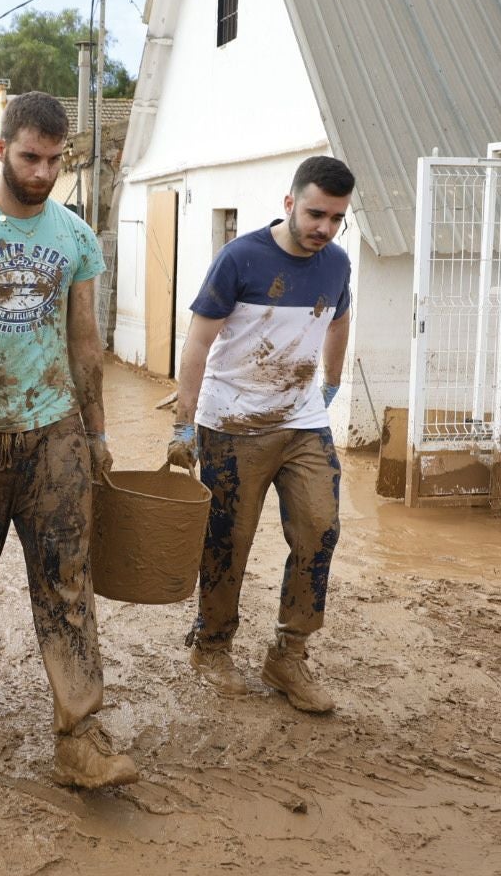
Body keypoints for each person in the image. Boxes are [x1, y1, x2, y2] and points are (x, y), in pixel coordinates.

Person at [0, 91, 138, 790]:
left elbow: (85, 341)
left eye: (53, 159)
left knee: (66, 576)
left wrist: (97, 432)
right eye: (29, 156)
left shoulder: (74, 237)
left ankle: (78, 733)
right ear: (0, 149)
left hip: (54, 432)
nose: (41, 172)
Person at [168, 155, 354, 714]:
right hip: (231, 424)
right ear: (290, 202)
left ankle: (289, 654)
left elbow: (340, 319)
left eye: (336, 219)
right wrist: (184, 420)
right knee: (230, 540)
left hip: (302, 422)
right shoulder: (240, 258)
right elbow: (199, 342)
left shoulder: (337, 265)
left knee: (320, 528)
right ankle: (212, 646)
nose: (324, 228)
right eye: (316, 213)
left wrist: (333, 383)